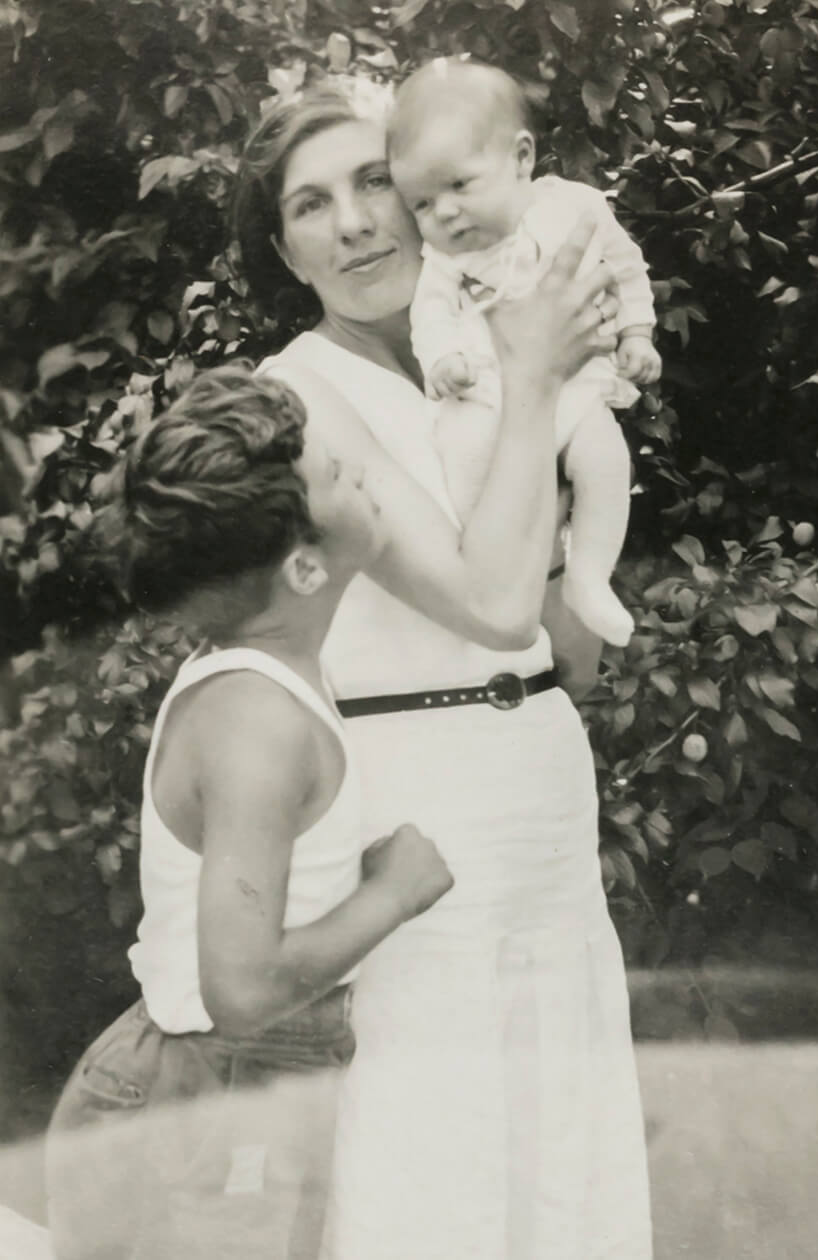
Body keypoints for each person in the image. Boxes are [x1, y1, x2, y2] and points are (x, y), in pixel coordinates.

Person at [234, 78, 652, 1260]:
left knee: (562, 1142)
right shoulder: (294, 398)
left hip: (538, 789)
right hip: (412, 806)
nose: (357, 222)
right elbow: (486, 602)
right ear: (284, 248)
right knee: (436, 1148)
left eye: (376, 183)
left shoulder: (485, 340)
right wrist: (531, 381)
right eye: (312, 206)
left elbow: (557, 636)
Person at [44, 365, 454, 1260]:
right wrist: (396, 893)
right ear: (304, 566)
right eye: (335, 477)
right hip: (210, 1098)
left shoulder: (270, 680)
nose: (358, 471)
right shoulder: (258, 726)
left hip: (230, 1090)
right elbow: (240, 991)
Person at [387, 58, 662, 648]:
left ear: (521, 158)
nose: (446, 213)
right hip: (486, 395)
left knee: (606, 464)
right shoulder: (444, 259)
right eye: (422, 205)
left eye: (459, 185)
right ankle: (475, 566)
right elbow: (428, 314)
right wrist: (441, 362)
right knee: (459, 457)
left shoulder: (576, 209)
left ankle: (588, 576)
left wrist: (637, 333)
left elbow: (627, 267)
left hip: (578, 387)